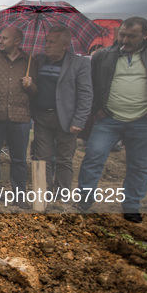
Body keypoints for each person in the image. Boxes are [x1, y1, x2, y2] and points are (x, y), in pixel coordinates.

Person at [77, 17, 147, 223]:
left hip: (145, 120)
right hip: (109, 119)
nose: (125, 39)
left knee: (140, 165)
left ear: (145, 35)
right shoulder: (104, 55)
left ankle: (132, 205)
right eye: (122, 35)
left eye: (131, 36)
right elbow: (92, 84)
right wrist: (97, 109)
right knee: (93, 157)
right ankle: (84, 201)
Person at [31, 25, 92, 202]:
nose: (47, 45)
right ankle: (42, 197)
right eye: (46, 41)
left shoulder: (79, 63)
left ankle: (62, 198)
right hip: (42, 117)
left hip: (66, 119)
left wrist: (79, 120)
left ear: (65, 45)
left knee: (64, 159)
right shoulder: (39, 60)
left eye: (52, 42)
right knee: (41, 158)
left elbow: (86, 94)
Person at [0, 26, 38, 209]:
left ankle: (19, 196)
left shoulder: (29, 62)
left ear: (17, 41)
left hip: (20, 118)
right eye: (0, 37)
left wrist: (31, 86)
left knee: (19, 159)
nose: (0, 40)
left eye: (5, 38)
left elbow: (37, 92)